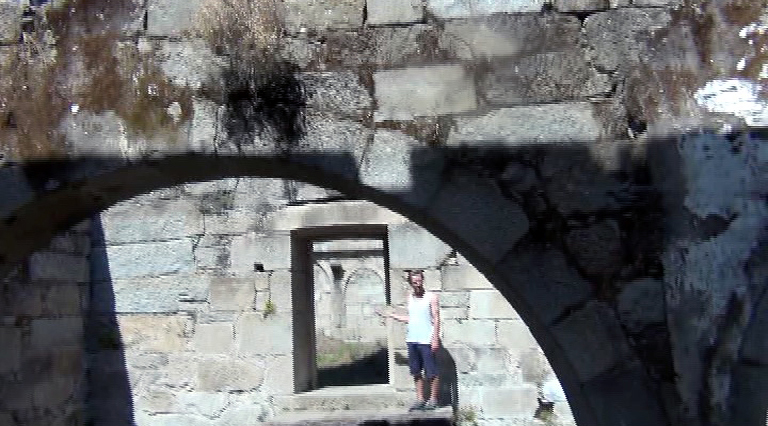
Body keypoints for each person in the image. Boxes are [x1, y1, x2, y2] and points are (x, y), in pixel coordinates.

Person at [378, 269, 441, 411]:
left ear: (423, 280)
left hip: (426, 339)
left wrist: (435, 338)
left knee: (431, 372)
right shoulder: (410, 298)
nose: (418, 283)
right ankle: (420, 399)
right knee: (416, 371)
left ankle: (433, 399)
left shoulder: (431, 297)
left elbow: (436, 318)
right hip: (412, 339)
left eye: (419, 280)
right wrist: (391, 315)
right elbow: (411, 319)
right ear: (411, 283)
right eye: (414, 282)